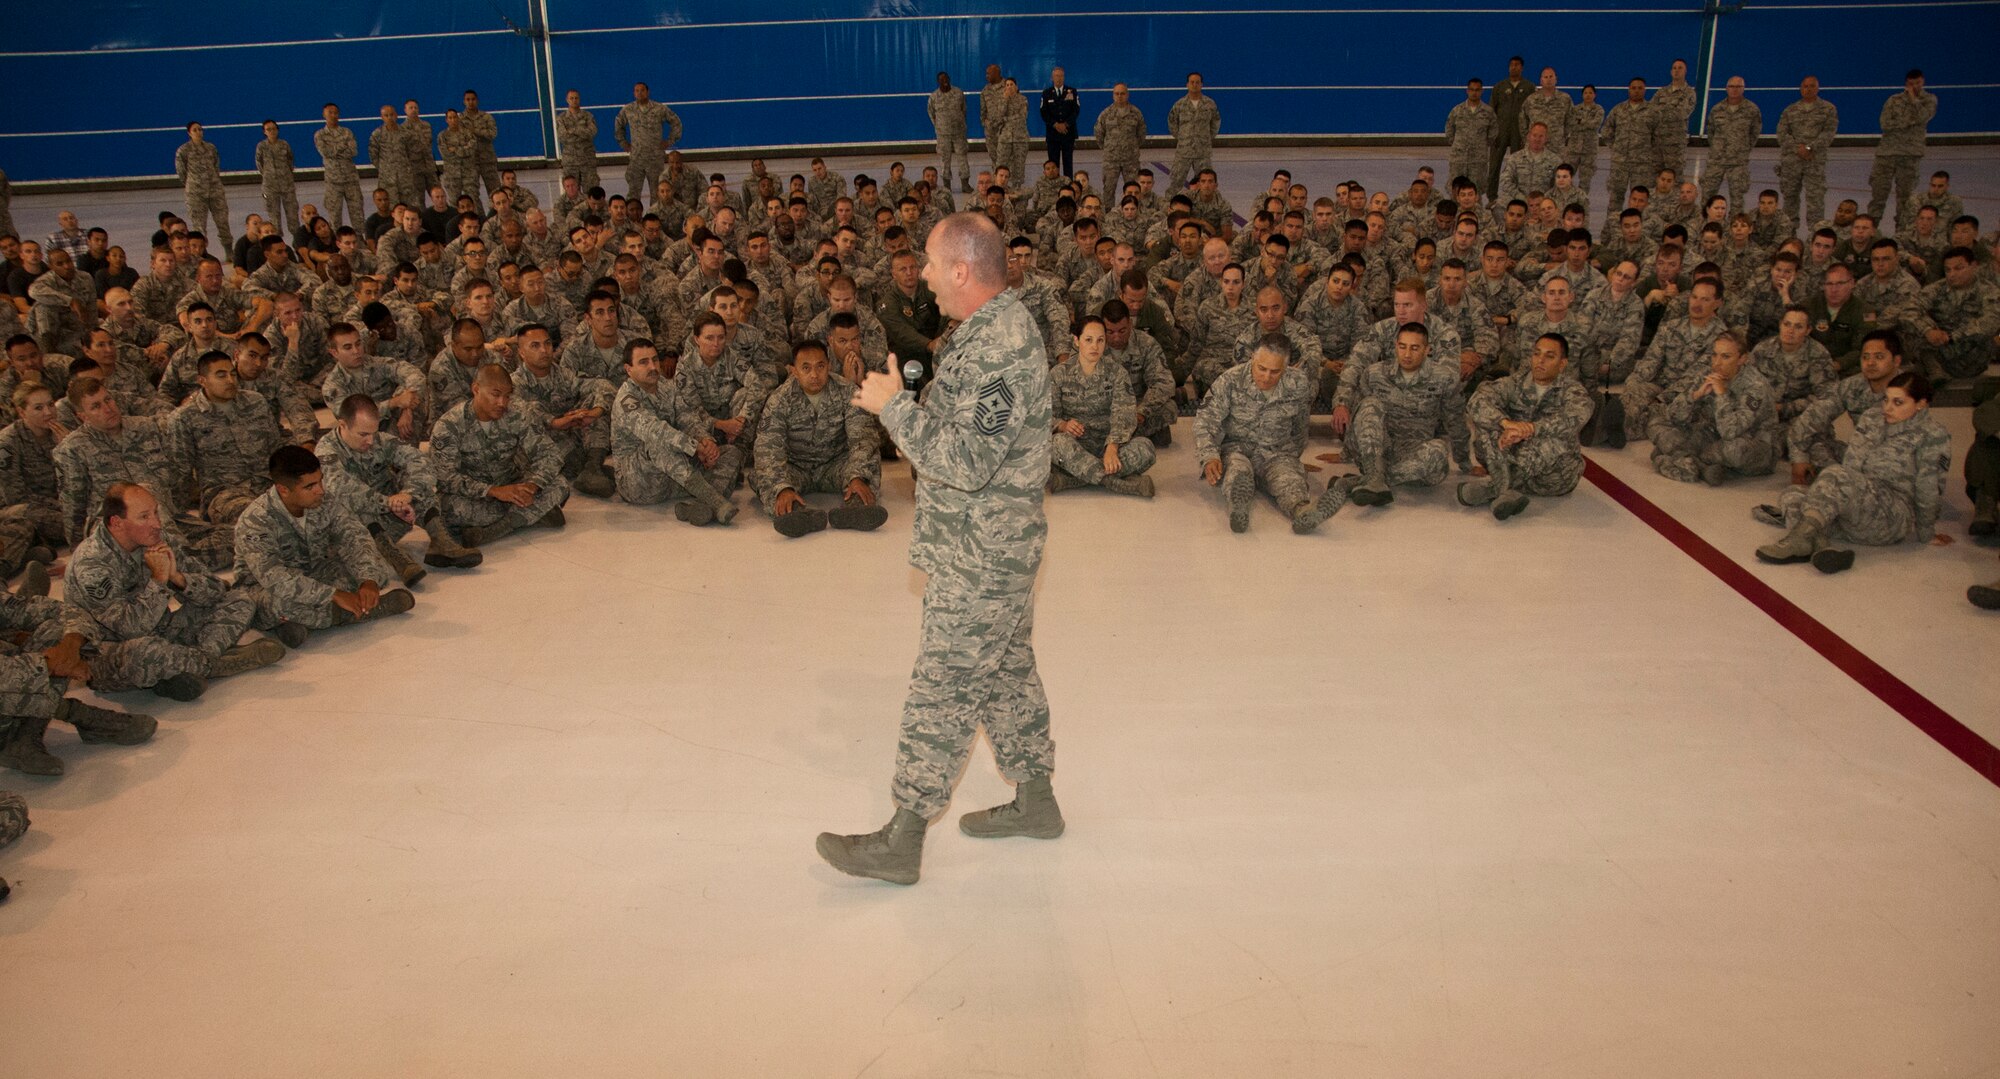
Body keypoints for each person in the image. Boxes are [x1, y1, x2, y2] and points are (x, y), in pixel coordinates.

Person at [818, 212, 1057, 886]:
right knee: (1004, 672)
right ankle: (1038, 800)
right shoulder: (983, 332)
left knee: (944, 684)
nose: (920, 273)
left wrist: (895, 409)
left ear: (960, 269)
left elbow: (969, 458)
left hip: (982, 552)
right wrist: (910, 399)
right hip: (983, 543)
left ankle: (902, 835)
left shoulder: (1002, 346)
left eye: (927, 262)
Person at [63, 481, 280, 700]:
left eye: (156, 512)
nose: (156, 523)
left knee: (239, 600)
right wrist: (158, 580)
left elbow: (216, 589)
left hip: (161, 630)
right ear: (117, 523)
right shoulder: (92, 564)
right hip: (111, 651)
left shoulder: (155, 539)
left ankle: (183, 666)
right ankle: (215, 664)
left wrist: (179, 579)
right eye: (144, 517)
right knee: (145, 652)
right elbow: (130, 630)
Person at [1756, 372, 1950, 573]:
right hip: (1856, 506)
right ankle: (1822, 548)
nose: (1888, 408)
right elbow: (1852, 463)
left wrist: (1926, 533)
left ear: (1921, 404)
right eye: (1886, 399)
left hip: (1891, 515)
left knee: (1836, 475)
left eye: (1898, 402)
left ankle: (1797, 540)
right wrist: (1837, 499)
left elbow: (1929, 488)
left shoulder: (1933, 435)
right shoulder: (1872, 418)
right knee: (1793, 493)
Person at [234, 445, 414, 645]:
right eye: (310, 486)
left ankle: (301, 623)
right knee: (282, 603)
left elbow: (353, 537)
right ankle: (359, 612)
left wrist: (367, 580)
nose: (321, 490)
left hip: (314, 571)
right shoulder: (255, 520)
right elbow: (275, 578)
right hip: (265, 588)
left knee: (377, 571)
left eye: (320, 480)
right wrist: (333, 594)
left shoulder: (323, 500)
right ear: (283, 490)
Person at [317, 393, 480, 581]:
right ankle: (397, 559)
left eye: (373, 433)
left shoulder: (380, 440)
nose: (370, 441)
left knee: (417, 482)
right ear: (342, 425)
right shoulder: (326, 451)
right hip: (362, 532)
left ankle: (441, 543)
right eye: (363, 434)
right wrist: (388, 503)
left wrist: (407, 495)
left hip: (397, 515)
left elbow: (420, 460)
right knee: (350, 505)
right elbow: (341, 488)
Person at [1195, 334, 1336, 533]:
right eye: (1261, 368)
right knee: (1237, 472)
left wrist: (1293, 459)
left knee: (1289, 480)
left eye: (1275, 371)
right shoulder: (1230, 380)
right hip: (1237, 448)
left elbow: (1300, 425)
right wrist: (1209, 456)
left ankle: (1302, 511)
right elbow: (1205, 420)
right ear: (1253, 357)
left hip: (1276, 451)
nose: (1266, 377)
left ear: (1287, 367)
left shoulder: (1298, 384)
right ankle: (1239, 506)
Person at [752, 340, 887, 536]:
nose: (814, 375)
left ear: (829, 366)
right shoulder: (779, 399)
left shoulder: (847, 391)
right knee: (761, 476)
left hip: (835, 465)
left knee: (871, 461)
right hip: (796, 467)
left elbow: (863, 437)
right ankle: (796, 513)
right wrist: (782, 489)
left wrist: (857, 476)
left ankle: (855, 506)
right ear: (794, 371)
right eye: (806, 368)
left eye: (820, 366)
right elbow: (767, 448)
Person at [429, 364, 568, 548]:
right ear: (476, 389)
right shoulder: (449, 425)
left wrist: (531, 486)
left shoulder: (518, 412)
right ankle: (533, 515)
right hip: (475, 494)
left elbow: (550, 454)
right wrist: (493, 491)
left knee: (560, 484)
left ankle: (498, 529)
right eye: (495, 395)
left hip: (512, 483)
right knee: (444, 507)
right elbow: (445, 478)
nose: (502, 402)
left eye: (507, 395)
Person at [1332, 322, 1469, 506]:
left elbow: (1456, 420)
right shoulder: (1375, 373)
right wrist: (1345, 454)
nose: (1406, 354)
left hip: (1414, 452)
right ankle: (1374, 474)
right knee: (1370, 403)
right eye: (1402, 346)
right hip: (1376, 448)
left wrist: (1465, 460)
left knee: (1439, 452)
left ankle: (1366, 481)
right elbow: (1361, 416)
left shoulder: (1443, 378)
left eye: (1414, 348)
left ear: (1427, 350)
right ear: (1395, 345)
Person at [1459, 332, 1594, 519]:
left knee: (1555, 440)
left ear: (1562, 364)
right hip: (1512, 461)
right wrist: (1506, 424)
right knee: (1487, 425)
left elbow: (1577, 415)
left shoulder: (1572, 390)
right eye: (1537, 354)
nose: (1541, 361)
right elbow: (1477, 401)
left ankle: (1495, 488)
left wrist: (1531, 429)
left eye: (1549, 356)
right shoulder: (1515, 382)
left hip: (1553, 477)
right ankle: (1508, 492)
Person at [169, 351, 285, 566]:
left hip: (267, 483)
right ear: (202, 380)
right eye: (221, 375)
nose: (231, 380)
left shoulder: (256, 402)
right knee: (258, 519)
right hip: (223, 493)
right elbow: (180, 470)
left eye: (232, 373)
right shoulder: (184, 418)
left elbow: (275, 448)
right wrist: (176, 517)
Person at [609, 339, 737, 523]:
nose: (653, 367)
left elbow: (686, 416)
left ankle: (697, 508)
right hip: (640, 482)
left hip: (675, 477)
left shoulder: (666, 386)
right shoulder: (626, 399)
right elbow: (656, 430)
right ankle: (714, 501)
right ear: (628, 369)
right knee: (658, 441)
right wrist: (694, 447)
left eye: (655, 360)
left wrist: (706, 441)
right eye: (644, 362)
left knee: (731, 453)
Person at [1048, 315, 1157, 497]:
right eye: (1088, 340)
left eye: (1100, 340)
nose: (1094, 346)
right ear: (1076, 341)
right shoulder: (1058, 374)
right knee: (1056, 444)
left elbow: (1124, 414)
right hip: (1075, 445)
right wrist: (1062, 425)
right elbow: (1045, 416)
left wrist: (1112, 448)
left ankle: (1074, 479)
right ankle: (1115, 482)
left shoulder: (1117, 373)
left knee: (1146, 448)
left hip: (1107, 443)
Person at [1650, 332, 1779, 485]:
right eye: (1714, 355)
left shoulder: (1756, 387)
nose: (1717, 363)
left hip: (1753, 445)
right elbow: (1673, 415)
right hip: (1714, 437)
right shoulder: (1708, 373)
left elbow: (1730, 431)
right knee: (1656, 423)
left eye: (1725, 357)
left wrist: (1721, 394)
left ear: (1742, 359)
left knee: (1733, 451)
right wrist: (1696, 396)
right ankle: (1702, 466)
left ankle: (1681, 459)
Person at [1908, 247, 1999, 380]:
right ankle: (1935, 369)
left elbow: (1991, 321)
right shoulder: (1937, 288)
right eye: (1948, 270)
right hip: (1937, 345)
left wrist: (1952, 337)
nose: (1952, 274)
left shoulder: (1989, 291)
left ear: (1973, 266)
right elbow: (1911, 309)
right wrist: (1927, 330)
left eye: (1958, 268)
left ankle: (1933, 368)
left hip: (1968, 351)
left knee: (1986, 338)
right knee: (1910, 324)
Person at [1870, 71, 1937, 231]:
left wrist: (1914, 101)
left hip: (1910, 155)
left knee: (1905, 199)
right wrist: (1910, 122)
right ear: (1907, 83)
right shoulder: (1894, 100)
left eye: (1918, 83)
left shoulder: (1929, 100)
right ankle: (1871, 231)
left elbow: (1923, 116)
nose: (1915, 86)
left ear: (1923, 82)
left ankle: (1902, 234)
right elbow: (1885, 123)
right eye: (1912, 83)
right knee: (1878, 196)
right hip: (1887, 154)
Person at [1774, 77, 1838, 231]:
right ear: (1800, 89)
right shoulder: (1790, 110)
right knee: (1790, 198)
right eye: (1805, 86)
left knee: (1815, 200)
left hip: (1814, 161)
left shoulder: (1828, 109)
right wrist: (1798, 148)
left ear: (1817, 88)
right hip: (1792, 162)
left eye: (1812, 86)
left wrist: (1810, 148)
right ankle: (1788, 233)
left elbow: (1828, 133)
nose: (1808, 89)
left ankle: (1815, 234)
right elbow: (1782, 133)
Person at [615, 83, 682, 211]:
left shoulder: (659, 109)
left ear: (648, 92)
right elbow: (618, 125)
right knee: (633, 193)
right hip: (636, 159)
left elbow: (676, 122)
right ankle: (632, 220)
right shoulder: (628, 109)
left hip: (655, 159)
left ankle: (655, 219)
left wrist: (670, 140)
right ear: (634, 93)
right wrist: (623, 143)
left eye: (642, 90)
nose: (639, 93)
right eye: (636, 91)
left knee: (657, 192)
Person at [1703, 77, 1762, 216]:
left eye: (1738, 86)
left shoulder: (1751, 110)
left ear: (1743, 88)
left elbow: (1754, 133)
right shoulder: (1717, 109)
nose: (1734, 89)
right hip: (1716, 160)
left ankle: (1734, 228)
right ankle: (1706, 224)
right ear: (1726, 88)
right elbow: (1710, 131)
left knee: (1737, 199)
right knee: (1707, 195)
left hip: (1738, 162)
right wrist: (1718, 148)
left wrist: (1742, 148)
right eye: (1731, 86)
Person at [175, 123, 232, 252]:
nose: (198, 132)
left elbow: (216, 166)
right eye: (195, 130)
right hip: (196, 193)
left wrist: (213, 181)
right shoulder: (183, 150)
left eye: (200, 129)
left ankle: (229, 249)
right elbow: (181, 172)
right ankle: (201, 252)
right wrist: (193, 184)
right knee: (199, 225)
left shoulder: (211, 148)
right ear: (189, 133)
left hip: (215, 190)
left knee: (222, 222)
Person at [1166, 73, 1221, 191]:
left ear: (1202, 85)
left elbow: (1215, 122)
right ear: (1187, 84)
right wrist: (1182, 138)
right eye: (1192, 82)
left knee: (1206, 185)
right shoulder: (1180, 104)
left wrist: (1206, 138)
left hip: (1203, 152)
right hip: (1183, 152)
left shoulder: (1209, 104)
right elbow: (1172, 122)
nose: (1194, 85)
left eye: (1197, 82)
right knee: (1175, 184)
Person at [1488, 56, 1533, 199]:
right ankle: (1492, 197)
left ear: (1522, 68)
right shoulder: (1499, 87)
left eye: (1517, 65)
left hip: (1519, 133)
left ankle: (1516, 197)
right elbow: (1491, 111)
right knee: (1494, 166)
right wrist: (1493, 133)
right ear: (1508, 67)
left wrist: (1527, 135)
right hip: (1500, 132)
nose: (1514, 67)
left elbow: (1531, 112)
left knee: (1518, 166)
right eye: (1512, 65)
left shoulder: (1529, 87)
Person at [1093, 83, 1148, 201]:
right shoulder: (1106, 114)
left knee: (1133, 190)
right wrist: (1109, 148)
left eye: (1122, 93)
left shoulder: (1135, 113)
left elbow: (1141, 133)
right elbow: (1098, 133)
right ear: (1113, 95)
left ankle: (1133, 213)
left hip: (1131, 160)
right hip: (1111, 160)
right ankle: (1108, 215)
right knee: (1108, 190)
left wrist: (1132, 147)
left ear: (1127, 95)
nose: (1119, 96)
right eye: (1117, 94)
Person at [314, 103, 364, 231]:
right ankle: (337, 244)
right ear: (324, 114)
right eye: (330, 112)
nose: (333, 115)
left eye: (336, 113)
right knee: (334, 217)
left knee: (358, 215)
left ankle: (359, 242)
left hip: (351, 180)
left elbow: (353, 151)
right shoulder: (320, 135)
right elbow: (325, 153)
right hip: (333, 182)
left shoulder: (347, 132)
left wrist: (334, 151)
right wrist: (342, 147)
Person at [1445, 79, 1497, 198]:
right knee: (1455, 189)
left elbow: (1493, 132)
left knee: (1476, 190)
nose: (1474, 93)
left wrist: (1482, 145)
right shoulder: (1457, 110)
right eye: (1472, 90)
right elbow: (1449, 129)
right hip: (1459, 159)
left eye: (1477, 90)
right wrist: (1457, 145)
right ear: (1467, 91)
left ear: (1482, 91)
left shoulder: (1488, 112)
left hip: (1478, 160)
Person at [928, 73, 969, 195]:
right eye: (942, 80)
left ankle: (965, 184)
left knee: (962, 158)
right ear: (938, 82)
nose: (944, 81)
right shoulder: (934, 96)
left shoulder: (958, 93)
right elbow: (931, 114)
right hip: (943, 134)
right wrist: (940, 126)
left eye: (946, 79)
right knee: (944, 160)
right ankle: (947, 186)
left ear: (949, 79)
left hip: (959, 133)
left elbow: (963, 109)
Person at [1040, 67, 1080, 176]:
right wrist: (1056, 124)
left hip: (1068, 133)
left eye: (1061, 76)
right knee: (1053, 163)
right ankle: (1055, 185)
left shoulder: (1072, 91)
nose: (1059, 78)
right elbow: (1044, 113)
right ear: (1052, 78)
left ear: (1064, 77)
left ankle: (1068, 186)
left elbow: (1076, 110)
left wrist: (1065, 124)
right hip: (1053, 134)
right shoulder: (1046, 93)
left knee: (1068, 162)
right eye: (1056, 76)